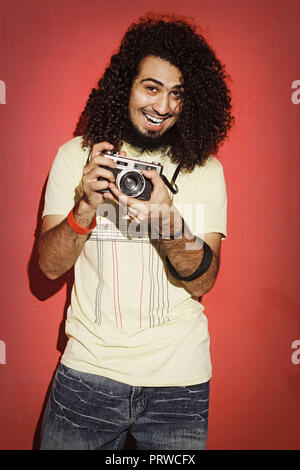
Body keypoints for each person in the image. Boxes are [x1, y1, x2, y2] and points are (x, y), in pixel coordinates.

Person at [38, 13, 233, 450]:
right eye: (151, 87)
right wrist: (85, 206)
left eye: (177, 94)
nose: (163, 107)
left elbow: (203, 281)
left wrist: (166, 220)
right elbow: (49, 268)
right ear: (126, 85)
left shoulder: (205, 170)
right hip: (89, 371)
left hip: (178, 381)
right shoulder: (78, 157)